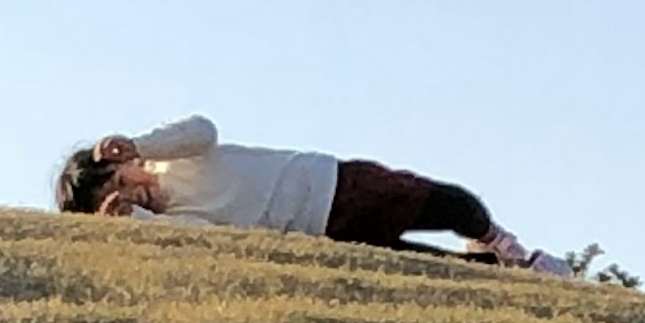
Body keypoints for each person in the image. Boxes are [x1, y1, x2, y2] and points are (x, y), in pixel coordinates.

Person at [54, 118, 570, 269]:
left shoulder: (174, 154)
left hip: (329, 183)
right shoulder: (170, 222)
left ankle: (501, 243)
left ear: (126, 165)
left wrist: (139, 143)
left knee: (450, 204)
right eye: (120, 200)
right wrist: (137, 226)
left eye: (125, 182)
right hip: (321, 233)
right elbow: (201, 235)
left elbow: (204, 129)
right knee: (431, 267)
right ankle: (503, 273)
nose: (135, 195)